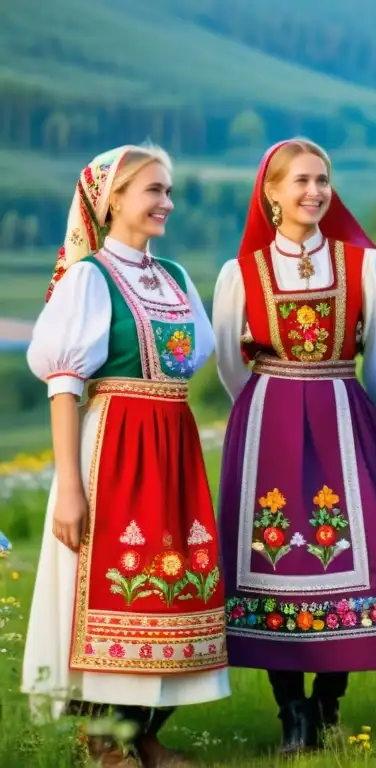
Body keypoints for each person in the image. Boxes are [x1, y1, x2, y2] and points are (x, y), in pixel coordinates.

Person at [23, 145, 229, 768]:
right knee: (111, 590)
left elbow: (194, 354)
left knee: (167, 592)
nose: (166, 202)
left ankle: (143, 734)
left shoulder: (174, 277)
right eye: (153, 191)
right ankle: (102, 740)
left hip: (171, 444)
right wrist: (68, 485)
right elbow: (64, 382)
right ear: (113, 199)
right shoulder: (90, 277)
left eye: (168, 191)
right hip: (114, 445)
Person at [212, 138, 376, 753]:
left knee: (361, 552)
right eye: (299, 181)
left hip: (344, 415)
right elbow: (229, 367)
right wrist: (277, 400)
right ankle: (291, 711)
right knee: (274, 566)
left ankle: (329, 700)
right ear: (270, 191)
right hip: (268, 421)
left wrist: (345, 404)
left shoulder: (365, 266)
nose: (313, 192)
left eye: (322, 180)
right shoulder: (239, 274)